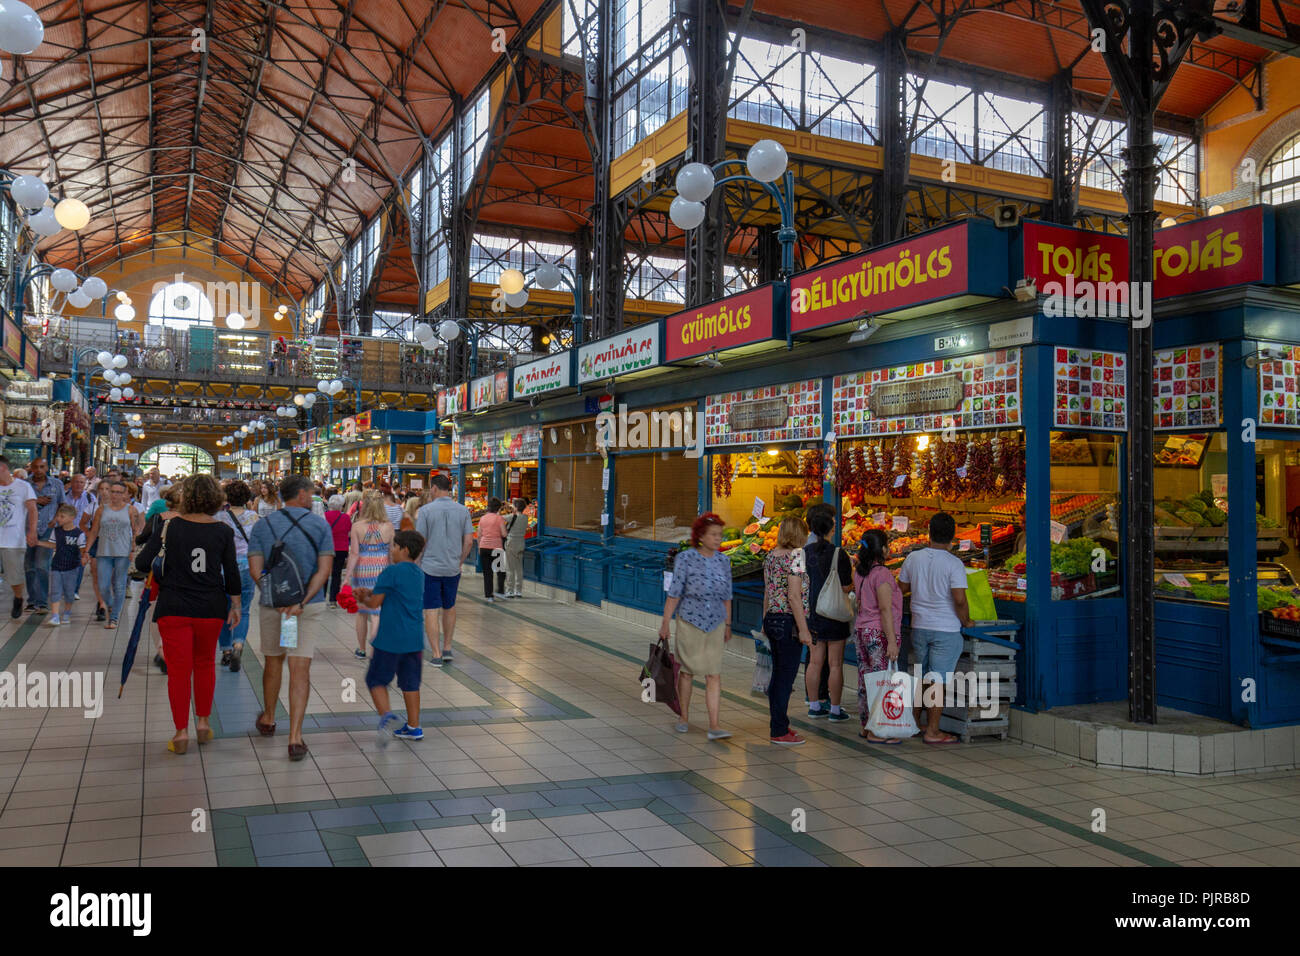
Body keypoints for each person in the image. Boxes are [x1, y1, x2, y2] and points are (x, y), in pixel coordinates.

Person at [135, 474, 241, 755]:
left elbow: (142, 561)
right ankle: (203, 723)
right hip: (211, 607)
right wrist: (236, 605)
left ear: (185, 497)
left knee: (179, 672)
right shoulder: (223, 531)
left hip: (174, 606)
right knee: (205, 664)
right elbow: (231, 572)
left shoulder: (170, 526)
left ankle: (181, 732)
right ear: (215, 499)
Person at [247, 474, 334, 762]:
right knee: (300, 667)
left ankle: (270, 717)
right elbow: (324, 571)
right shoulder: (320, 525)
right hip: (307, 608)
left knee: (274, 661)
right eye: (311, 493)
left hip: (275, 608)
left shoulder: (264, 525)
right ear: (302, 494)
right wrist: (301, 601)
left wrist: (277, 598)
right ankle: (295, 737)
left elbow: (255, 569)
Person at [898, 512, 972, 746]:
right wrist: (967, 621)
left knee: (921, 676)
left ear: (929, 532)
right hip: (945, 629)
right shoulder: (954, 563)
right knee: (937, 681)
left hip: (920, 626)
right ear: (953, 536)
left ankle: (912, 722)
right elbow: (959, 599)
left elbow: (902, 588)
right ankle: (932, 730)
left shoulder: (914, 558)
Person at [659, 513, 733, 740]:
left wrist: (728, 623)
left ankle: (714, 724)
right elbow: (674, 593)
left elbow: (728, 595)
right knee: (688, 672)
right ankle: (683, 717)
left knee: (714, 674)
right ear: (700, 536)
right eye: (713, 535)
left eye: (720, 535)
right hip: (690, 621)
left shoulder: (724, 561)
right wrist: (665, 623)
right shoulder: (685, 559)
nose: (718, 539)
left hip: (716, 623)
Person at [356, 530, 428, 745]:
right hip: (414, 639)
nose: (391, 551)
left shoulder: (390, 572)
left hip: (390, 638)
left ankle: (386, 716)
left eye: (394, 547)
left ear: (404, 550)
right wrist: (370, 594)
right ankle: (414, 728)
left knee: (375, 679)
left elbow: (375, 603)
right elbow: (396, 595)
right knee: (410, 683)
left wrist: (363, 598)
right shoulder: (419, 573)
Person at [762, 515, 813, 746]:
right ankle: (779, 730)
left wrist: (764, 622)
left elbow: (767, 592)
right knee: (785, 677)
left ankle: (779, 723)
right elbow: (794, 596)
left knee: (778, 675)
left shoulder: (770, 556)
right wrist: (803, 630)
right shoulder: (798, 555)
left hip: (772, 620)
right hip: (788, 622)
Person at [414, 473, 473, 668]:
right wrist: (460, 561)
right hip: (452, 568)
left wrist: (417, 562)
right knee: (449, 606)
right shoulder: (463, 510)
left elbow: (420, 541)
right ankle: (447, 648)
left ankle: (436, 654)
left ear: (434, 488)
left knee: (431, 610)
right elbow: (469, 541)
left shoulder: (425, 511)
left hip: (430, 567)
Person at [852, 530, 904, 742]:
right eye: (886, 544)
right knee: (881, 681)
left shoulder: (860, 571)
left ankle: (866, 726)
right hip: (878, 633)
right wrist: (892, 640)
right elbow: (885, 609)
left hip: (862, 630)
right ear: (881, 549)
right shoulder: (882, 574)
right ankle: (878, 730)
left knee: (866, 680)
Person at [804, 506, 853, 721]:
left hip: (813, 614)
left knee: (815, 662)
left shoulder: (804, 553)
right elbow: (845, 587)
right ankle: (834, 709)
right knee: (835, 664)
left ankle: (814, 706)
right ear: (832, 529)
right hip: (834, 615)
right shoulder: (838, 554)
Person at [86, 479, 144, 629]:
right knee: (103, 585)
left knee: (119, 585)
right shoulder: (101, 509)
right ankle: (110, 604)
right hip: (104, 551)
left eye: (119, 492)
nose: (115, 495)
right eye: (113, 492)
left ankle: (114, 617)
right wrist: (87, 550)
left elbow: (136, 530)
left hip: (122, 552)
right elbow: (94, 531)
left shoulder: (131, 510)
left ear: (125, 494)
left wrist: (133, 549)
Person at [216, 480, 259, 672]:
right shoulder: (254, 517)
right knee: (244, 608)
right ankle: (238, 644)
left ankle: (225, 650)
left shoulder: (219, 517)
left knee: (224, 609)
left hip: (224, 567)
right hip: (247, 565)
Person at [346, 490, 393, 659]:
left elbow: (354, 553)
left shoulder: (357, 526)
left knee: (362, 612)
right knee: (377, 613)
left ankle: (361, 649)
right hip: (382, 571)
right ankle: (376, 651)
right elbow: (391, 554)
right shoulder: (388, 526)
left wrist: (346, 577)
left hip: (362, 572)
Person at [0, 457, 42, 618]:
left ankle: (18, 597)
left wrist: (32, 531)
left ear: (3, 468)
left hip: (14, 539)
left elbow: (32, 510)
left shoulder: (23, 487)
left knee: (14, 575)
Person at [25, 458, 65, 613]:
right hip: (28, 528)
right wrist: (36, 501)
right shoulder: (25, 485)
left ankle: (41, 601)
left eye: (42, 467)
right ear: (31, 469)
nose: (39, 470)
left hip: (48, 529)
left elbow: (62, 504)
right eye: (36, 467)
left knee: (42, 565)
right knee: (29, 565)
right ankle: (31, 600)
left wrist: (56, 519)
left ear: (47, 467)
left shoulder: (57, 484)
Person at [37, 504, 85, 626]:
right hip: (57, 565)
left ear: (72, 518)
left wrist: (85, 556)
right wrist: (38, 543)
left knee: (69, 593)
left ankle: (67, 612)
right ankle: (55, 616)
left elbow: (82, 549)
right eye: (58, 516)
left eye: (62, 516)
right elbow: (53, 545)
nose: (58, 518)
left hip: (72, 567)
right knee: (55, 591)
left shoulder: (79, 534)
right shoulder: (56, 531)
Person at [65, 473, 96, 602]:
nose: (78, 484)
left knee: (79, 562)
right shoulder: (65, 496)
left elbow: (95, 516)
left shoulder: (90, 497)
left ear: (85, 484)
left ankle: (74, 590)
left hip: (82, 534)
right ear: (71, 483)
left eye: (81, 482)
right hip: (65, 532)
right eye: (76, 482)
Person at [324, 494, 352, 606]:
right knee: (337, 573)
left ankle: (321, 597)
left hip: (326, 548)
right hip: (341, 548)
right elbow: (349, 533)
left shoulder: (324, 516)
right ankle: (333, 600)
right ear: (341, 505)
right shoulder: (345, 517)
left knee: (325, 572)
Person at [476, 497, 506, 602]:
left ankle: (489, 595)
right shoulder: (499, 519)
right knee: (500, 570)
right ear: (498, 508)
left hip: (484, 547)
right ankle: (500, 591)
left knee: (487, 573)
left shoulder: (483, 518)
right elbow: (504, 533)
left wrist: (479, 547)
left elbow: (479, 534)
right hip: (496, 547)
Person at [502, 496, 528, 598]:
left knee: (510, 568)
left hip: (512, 543)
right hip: (521, 542)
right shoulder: (525, 518)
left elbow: (499, 517)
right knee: (519, 568)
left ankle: (510, 591)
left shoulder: (511, 517)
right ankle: (519, 590)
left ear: (516, 508)